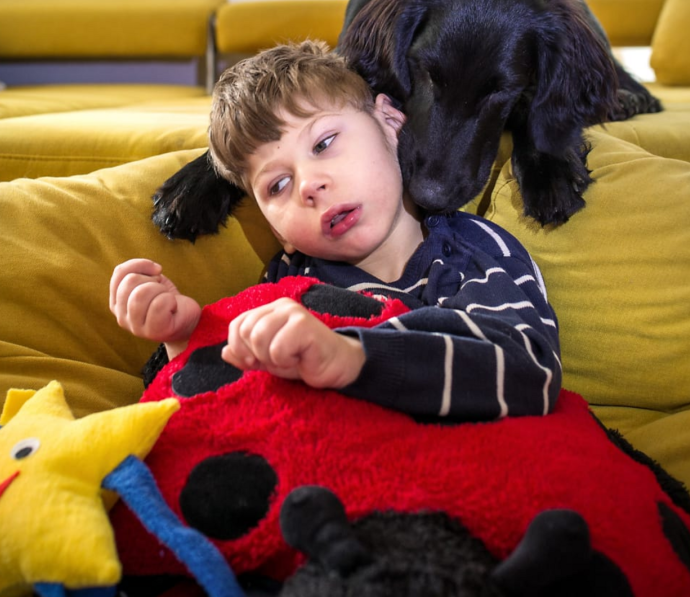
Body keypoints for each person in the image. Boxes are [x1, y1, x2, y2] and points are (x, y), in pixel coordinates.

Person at [110, 41, 561, 421]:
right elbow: (232, 413)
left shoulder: (471, 253)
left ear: (390, 122)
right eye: (279, 185)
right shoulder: (287, 283)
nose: (309, 186)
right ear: (277, 229)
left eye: (324, 143)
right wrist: (188, 339)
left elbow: (530, 372)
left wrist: (354, 358)